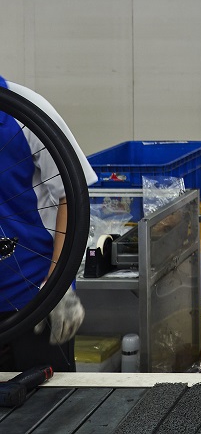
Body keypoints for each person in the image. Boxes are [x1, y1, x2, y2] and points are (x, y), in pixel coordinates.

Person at [0, 76, 97, 372]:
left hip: (36, 300)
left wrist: (59, 286)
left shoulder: (28, 110)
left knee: (51, 410)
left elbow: (72, 194)